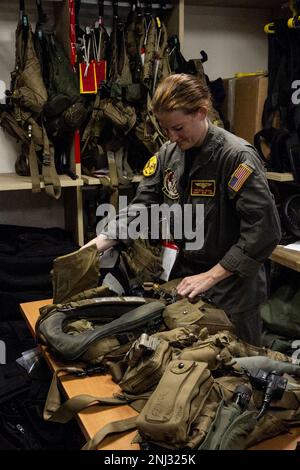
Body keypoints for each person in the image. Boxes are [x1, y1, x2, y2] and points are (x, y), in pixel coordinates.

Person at [83, 73, 281, 346]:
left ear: (201, 112)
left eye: (178, 128)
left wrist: (213, 275)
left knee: (238, 373)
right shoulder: (169, 154)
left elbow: (265, 231)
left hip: (233, 291)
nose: (172, 137)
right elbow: (143, 205)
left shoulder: (236, 158)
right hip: (186, 281)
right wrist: (103, 240)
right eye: (166, 129)